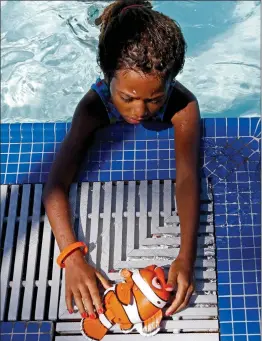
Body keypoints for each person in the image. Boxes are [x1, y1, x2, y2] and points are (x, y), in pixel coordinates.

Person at [43, 0, 200, 320]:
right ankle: (115, 13)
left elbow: (186, 178)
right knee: (108, 21)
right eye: (127, 98)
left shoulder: (183, 105)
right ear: (107, 77)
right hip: (111, 41)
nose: (139, 112)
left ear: (171, 81)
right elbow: (55, 184)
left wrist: (186, 256)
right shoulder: (94, 105)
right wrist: (71, 258)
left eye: (154, 100)